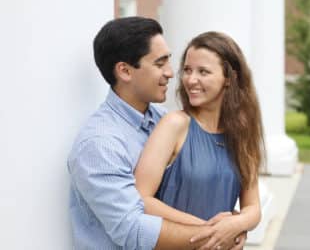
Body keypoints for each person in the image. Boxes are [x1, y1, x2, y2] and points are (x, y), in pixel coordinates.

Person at [67, 17, 243, 250]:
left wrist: (234, 225)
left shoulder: (166, 120)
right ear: (125, 71)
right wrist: (217, 235)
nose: (171, 73)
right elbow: (133, 230)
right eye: (160, 64)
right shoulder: (100, 144)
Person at [135, 31, 265, 250]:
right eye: (187, 70)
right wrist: (212, 231)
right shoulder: (174, 124)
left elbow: (252, 207)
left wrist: (236, 225)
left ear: (228, 79)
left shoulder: (241, 132)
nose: (190, 80)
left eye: (203, 71)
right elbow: (141, 198)